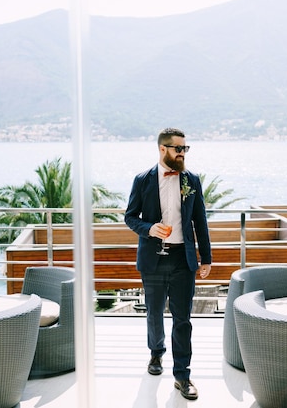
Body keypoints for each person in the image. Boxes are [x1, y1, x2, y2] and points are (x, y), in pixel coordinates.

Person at [124, 127, 212, 401]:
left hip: (182, 260)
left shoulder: (192, 180)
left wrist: (206, 257)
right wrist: (149, 229)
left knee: (183, 319)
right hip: (152, 259)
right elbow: (130, 217)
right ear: (163, 149)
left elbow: (200, 221)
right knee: (153, 314)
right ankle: (156, 353)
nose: (183, 153)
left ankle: (182, 375)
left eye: (185, 148)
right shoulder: (142, 180)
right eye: (178, 148)